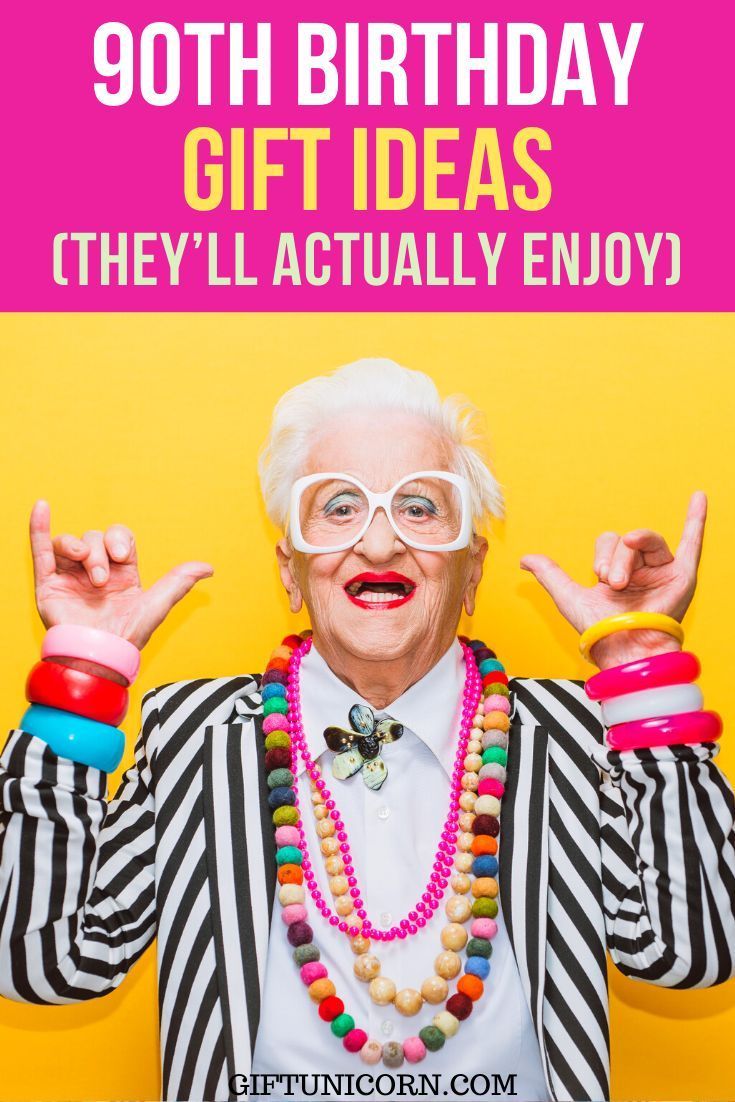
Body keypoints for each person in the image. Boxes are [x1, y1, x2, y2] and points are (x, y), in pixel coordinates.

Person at [1, 358, 733, 1102]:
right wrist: (80, 683)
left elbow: (693, 952)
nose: (379, 544)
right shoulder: (196, 734)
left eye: (419, 507)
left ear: (472, 568)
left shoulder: (576, 734)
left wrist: (647, 683)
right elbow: (42, 962)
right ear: (290, 569)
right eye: (340, 507)